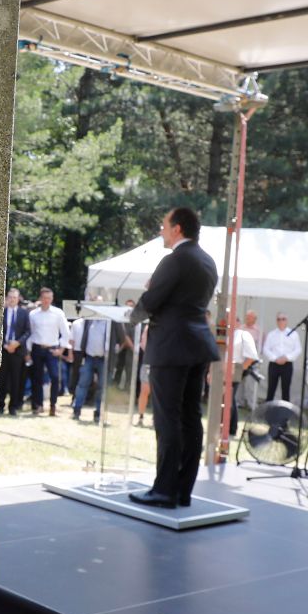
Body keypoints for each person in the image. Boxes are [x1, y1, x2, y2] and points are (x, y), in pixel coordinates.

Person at [128, 207, 220, 510]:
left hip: (171, 346)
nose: (161, 231)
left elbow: (152, 302)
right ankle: (182, 490)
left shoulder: (174, 259)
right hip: (197, 345)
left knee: (167, 418)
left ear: (177, 229)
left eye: (163, 226)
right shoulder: (207, 260)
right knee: (191, 418)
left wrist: (132, 315)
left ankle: (164, 490)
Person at [26, 287, 70, 415]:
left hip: (52, 349)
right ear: (40, 298)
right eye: (44, 298)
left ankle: (53, 405)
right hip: (37, 348)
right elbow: (31, 334)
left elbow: (66, 333)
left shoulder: (58, 313)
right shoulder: (33, 314)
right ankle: (38, 405)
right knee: (37, 378)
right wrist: (28, 352)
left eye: (49, 298)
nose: (46, 300)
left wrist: (61, 349)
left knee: (55, 377)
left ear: (52, 299)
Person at [70, 311, 112, 422]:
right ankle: (77, 410)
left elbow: (121, 337)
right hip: (88, 357)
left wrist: (114, 351)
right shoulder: (88, 321)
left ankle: (98, 413)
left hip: (103, 359)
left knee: (101, 388)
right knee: (82, 384)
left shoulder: (109, 322)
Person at [0, 288, 30, 415]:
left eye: (14, 297)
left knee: (16, 380)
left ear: (18, 298)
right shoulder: (1, 312)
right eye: (9, 297)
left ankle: (13, 407)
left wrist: (17, 343)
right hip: (3, 351)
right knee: (1, 379)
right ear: (6, 298)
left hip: (18, 351)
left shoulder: (24, 313)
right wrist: (4, 344)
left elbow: (27, 332)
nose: (12, 299)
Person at [261, 312, 301, 402]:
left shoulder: (293, 334)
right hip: (274, 365)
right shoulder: (271, 334)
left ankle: (284, 414)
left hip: (287, 365)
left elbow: (298, 349)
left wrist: (287, 357)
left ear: (287, 321)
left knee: (286, 390)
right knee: (271, 389)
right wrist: (275, 358)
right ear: (276, 321)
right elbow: (266, 349)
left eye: (283, 319)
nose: (281, 321)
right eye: (278, 319)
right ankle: (269, 412)